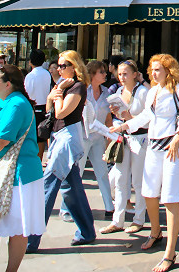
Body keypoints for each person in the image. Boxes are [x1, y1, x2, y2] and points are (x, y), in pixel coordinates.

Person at [111, 53, 179, 272]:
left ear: (169, 70)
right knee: (148, 193)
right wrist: (123, 126)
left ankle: (170, 253)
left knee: (170, 198)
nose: (154, 72)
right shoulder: (153, 92)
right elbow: (147, 117)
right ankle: (156, 232)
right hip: (154, 146)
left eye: (158, 69)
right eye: (152, 69)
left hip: (172, 148)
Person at [26, 51, 96, 252]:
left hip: (67, 140)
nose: (59, 68)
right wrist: (54, 94)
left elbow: (61, 112)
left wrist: (56, 94)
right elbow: (50, 110)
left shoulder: (77, 86)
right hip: (59, 138)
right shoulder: (63, 86)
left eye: (64, 65)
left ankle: (30, 240)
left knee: (48, 187)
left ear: (74, 66)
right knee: (71, 188)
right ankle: (87, 232)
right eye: (58, 65)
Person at [0, 65, 45, 272]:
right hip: (4, 174)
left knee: (17, 229)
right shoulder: (5, 103)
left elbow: (1, 140)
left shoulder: (17, 105)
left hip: (19, 176)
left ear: (8, 84)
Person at [101, 59, 148, 234]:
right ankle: (117, 220)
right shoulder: (120, 91)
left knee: (137, 180)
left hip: (140, 138)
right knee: (120, 179)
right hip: (123, 137)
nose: (122, 77)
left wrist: (129, 118)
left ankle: (138, 219)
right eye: (119, 74)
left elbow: (148, 118)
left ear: (135, 74)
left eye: (125, 74)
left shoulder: (143, 92)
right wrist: (117, 115)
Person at [77, 61, 114, 217]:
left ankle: (109, 207)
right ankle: (68, 208)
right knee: (77, 172)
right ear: (92, 74)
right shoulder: (83, 91)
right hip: (83, 136)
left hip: (98, 137)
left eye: (105, 72)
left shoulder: (106, 93)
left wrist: (109, 139)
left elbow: (108, 118)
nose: (105, 74)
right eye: (101, 72)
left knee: (102, 171)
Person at [24, 49, 51, 161]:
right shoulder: (47, 73)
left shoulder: (30, 76)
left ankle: (33, 159)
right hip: (45, 107)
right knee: (41, 137)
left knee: (32, 136)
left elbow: (28, 93)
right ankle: (39, 159)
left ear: (30, 61)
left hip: (33, 107)